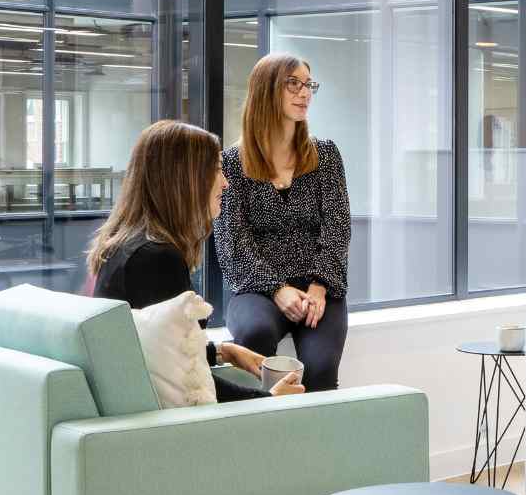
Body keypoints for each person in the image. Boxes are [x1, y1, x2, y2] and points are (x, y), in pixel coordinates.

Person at [88, 120, 305, 402]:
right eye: (216, 169)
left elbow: (158, 355)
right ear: (186, 178)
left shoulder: (127, 246)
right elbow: (188, 385)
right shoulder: (157, 260)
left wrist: (223, 351)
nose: (225, 182)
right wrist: (267, 399)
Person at [215, 54, 351, 392]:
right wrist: (277, 289)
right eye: (294, 83)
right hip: (257, 288)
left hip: (318, 286)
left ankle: (316, 442)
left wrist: (319, 286)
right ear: (266, 90)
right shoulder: (231, 162)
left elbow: (338, 227)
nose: (304, 93)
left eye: (308, 85)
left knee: (319, 369)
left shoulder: (326, 155)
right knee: (254, 334)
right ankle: (262, 434)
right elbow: (232, 244)